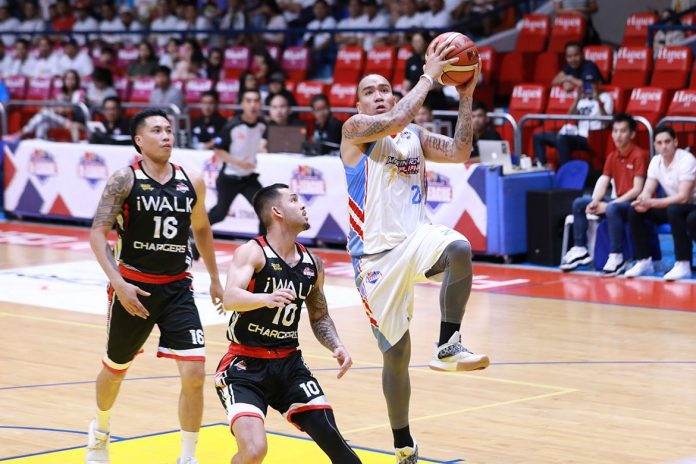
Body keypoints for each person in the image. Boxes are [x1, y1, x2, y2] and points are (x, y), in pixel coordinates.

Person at [340, 41, 489, 462]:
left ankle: (448, 343)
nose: (380, 94)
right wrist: (430, 76)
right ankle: (403, 443)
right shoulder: (355, 129)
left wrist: (466, 97)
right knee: (397, 354)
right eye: (370, 90)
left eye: (385, 87)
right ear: (358, 103)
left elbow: (460, 152)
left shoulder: (414, 136)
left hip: (415, 239)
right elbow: (394, 118)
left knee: (459, 248)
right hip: (374, 259)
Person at [85, 109, 224, 464]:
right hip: (134, 289)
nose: (166, 136)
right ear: (138, 140)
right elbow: (98, 234)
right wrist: (119, 283)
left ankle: (188, 456)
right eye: (157, 130)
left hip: (178, 287)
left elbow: (202, 229)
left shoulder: (192, 179)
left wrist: (215, 279)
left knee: (194, 373)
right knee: (115, 369)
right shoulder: (124, 180)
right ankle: (99, 433)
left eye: (169, 130)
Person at [215, 183, 362, 464]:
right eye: (294, 199)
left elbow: (320, 315)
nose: (303, 204)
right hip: (244, 366)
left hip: (290, 366)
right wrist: (265, 298)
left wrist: (337, 344)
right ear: (277, 211)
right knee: (254, 451)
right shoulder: (253, 252)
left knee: (339, 447)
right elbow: (231, 297)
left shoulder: (312, 263)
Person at [560, 113, 649, 276]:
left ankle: (617, 255)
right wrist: (595, 201)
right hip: (618, 201)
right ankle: (581, 248)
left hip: (636, 204)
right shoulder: (612, 156)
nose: (618, 135)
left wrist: (610, 204)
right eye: (615, 131)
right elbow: (604, 181)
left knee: (612, 209)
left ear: (632, 134)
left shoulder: (639, 155)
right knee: (580, 203)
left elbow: (637, 189)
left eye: (622, 131)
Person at [625, 126, 696, 280]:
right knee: (635, 210)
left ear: (675, 142)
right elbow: (647, 190)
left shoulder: (686, 159)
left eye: (667, 141)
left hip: (692, 206)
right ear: (655, 146)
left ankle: (683, 264)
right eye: (659, 143)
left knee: (674, 210)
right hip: (675, 206)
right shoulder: (656, 161)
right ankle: (644, 261)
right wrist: (642, 201)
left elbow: (683, 197)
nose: (664, 146)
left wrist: (652, 203)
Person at [207, 89, 267, 228]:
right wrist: (239, 163)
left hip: (248, 178)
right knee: (219, 214)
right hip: (229, 178)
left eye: (256, 101)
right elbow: (218, 151)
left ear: (260, 104)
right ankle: (192, 233)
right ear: (242, 104)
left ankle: (262, 247)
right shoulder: (232, 126)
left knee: (265, 210)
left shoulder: (262, 124)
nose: (253, 105)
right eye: (249, 101)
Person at [532, 78, 613, 168]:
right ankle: (541, 169)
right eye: (587, 83)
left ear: (598, 83)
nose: (589, 86)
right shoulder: (583, 99)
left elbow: (607, 123)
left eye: (592, 83)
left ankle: (567, 173)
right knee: (538, 136)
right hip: (577, 134)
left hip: (592, 137)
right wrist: (577, 99)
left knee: (561, 139)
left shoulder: (605, 97)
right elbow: (569, 116)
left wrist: (598, 101)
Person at [2, 70, 84, 143]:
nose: (70, 81)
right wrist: (55, 108)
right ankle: (40, 143)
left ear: (77, 81)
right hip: (61, 121)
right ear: (64, 80)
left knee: (44, 113)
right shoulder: (61, 94)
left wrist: (56, 109)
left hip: (72, 122)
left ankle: (21, 133)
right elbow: (56, 107)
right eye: (68, 79)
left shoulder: (79, 93)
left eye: (72, 79)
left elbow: (71, 109)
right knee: (43, 123)